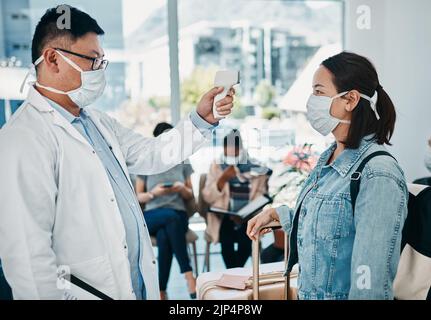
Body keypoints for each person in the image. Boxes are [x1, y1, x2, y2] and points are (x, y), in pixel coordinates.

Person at [0, 6, 234, 300]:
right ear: (52, 59)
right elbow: (28, 259)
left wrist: (202, 118)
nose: (100, 71)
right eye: (92, 60)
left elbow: (154, 153)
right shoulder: (22, 139)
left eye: (102, 61)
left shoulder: (96, 122)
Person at [247, 52, 408, 300]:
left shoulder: (377, 174)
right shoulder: (329, 157)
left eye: (319, 92)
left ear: (350, 99)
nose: (312, 101)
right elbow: (331, 223)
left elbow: (370, 283)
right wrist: (279, 214)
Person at [135, 122, 196, 300]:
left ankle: (161, 291)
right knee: (169, 220)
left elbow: (190, 194)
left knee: (165, 234)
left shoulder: (183, 159)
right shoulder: (146, 160)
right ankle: (189, 275)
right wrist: (154, 193)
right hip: (153, 215)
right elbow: (138, 197)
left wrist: (181, 189)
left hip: (178, 214)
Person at [203, 130, 271, 268]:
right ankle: (236, 273)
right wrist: (222, 180)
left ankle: (234, 273)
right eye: (228, 153)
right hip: (225, 215)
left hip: (248, 216)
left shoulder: (256, 168)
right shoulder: (216, 166)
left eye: (235, 153)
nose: (231, 157)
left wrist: (246, 212)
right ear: (223, 150)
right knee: (226, 240)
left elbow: (261, 195)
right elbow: (207, 196)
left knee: (246, 239)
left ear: (241, 150)